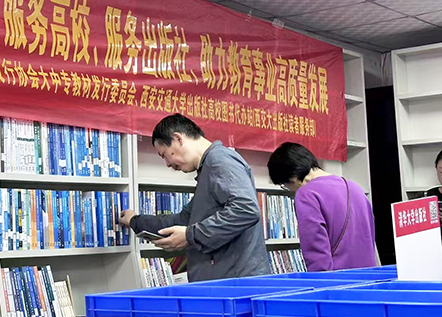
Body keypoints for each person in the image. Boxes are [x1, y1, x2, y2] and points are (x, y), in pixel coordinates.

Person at [119, 114, 270, 282]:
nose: (167, 164)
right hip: (226, 283)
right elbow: (183, 220)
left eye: (164, 155)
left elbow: (246, 210)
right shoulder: (208, 169)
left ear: (178, 139)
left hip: (235, 285)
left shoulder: (219, 161)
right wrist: (135, 221)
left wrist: (190, 235)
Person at [267, 142, 376, 272]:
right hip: (370, 277)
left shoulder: (306, 194)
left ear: (293, 176)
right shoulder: (355, 188)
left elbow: (316, 252)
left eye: (285, 185)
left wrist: (320, 281)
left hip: (338, 281)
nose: (290, 189)